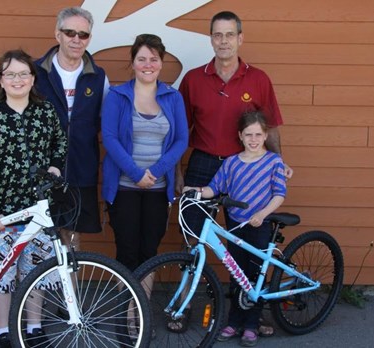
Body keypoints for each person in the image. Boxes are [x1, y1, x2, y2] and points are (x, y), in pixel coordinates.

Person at [177, 10, 293, 338]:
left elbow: (269, 130)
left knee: (246, 243)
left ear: (240, 38)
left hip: (247, 167)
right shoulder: (194, 79)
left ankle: (247, 312)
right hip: (202, 165)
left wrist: (277, 164)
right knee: (195, 240)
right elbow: (180, 132)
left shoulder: (258, 79)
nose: (224, 41)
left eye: (230, 35)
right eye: (218, 35)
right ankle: (183, 307)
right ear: (210, 39)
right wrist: (177, 172)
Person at [0, 49, 67, 348]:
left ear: (33, 78)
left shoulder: (45, 111)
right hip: (3, 210)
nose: (17, 79)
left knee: (35, 267)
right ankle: (2, 331)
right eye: (10, 74)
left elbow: (60, 144)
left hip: (38, 207)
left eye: (23, 73)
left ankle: (34, 326)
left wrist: (56, 165)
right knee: (3, 272)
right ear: (0, 80)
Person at [183, 110, 287, 347]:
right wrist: (196, 192)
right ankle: (234, 320)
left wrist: (262, 214)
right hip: (236, 224)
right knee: (236, 271)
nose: (253, 139)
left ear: (265, 135)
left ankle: (251, 324)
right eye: (248, 134)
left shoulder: (273, 161)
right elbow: (214, 188)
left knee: (255, 274)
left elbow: (279, 194)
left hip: (260, 224)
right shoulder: (232, 162)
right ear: (240, 135)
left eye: (258, 134)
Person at [101, 33, 188, 272]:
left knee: (150, 253)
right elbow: (109, 138)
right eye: (141, 59)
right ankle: (127, 310)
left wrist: (155, 172)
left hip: (158, 189)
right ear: (132, 62)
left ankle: (143, 308)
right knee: (127, 251)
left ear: (161, 62)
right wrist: (136, 173)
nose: (147, 65)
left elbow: (182, 140)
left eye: (153, 59)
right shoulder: (117, 96)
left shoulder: (173, 97)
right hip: (124, 187)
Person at [34, 6, 109, 251]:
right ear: (58, 35)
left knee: (73, 237)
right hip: (41, 169)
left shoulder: (98, 76)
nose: (76, 39)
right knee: (39, 237)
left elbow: (104, 121)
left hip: (80, 168)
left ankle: (70, 290)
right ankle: (37, 290)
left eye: (83, 34)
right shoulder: (35, 73)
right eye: (70, 32)